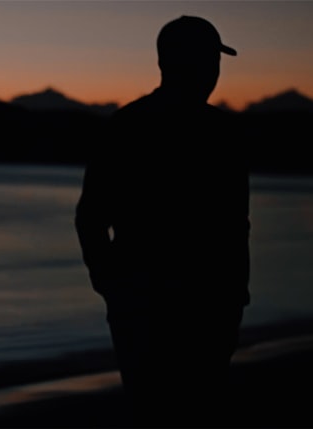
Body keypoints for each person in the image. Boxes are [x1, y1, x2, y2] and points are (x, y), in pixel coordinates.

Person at [75, 15, 250, 427]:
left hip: (180, 303)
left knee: (160, 408)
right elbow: (92, 217)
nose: (213, 72)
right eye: (209, 60)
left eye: (215, 61)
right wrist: (112, 285)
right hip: (176, 303)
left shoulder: (127, 125)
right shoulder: (220, 133)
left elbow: (91, 218)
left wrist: (112, 285)